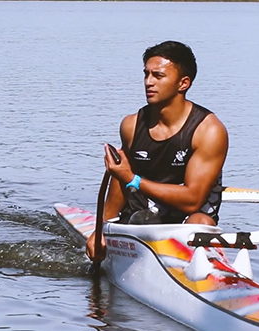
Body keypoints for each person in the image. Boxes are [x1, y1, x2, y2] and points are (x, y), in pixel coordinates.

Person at [86, 40, 228, 261]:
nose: (148, 82)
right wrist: (101, 229)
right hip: (142, 218)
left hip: (189, 219)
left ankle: (203, 271)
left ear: (184, 83)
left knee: (201, 223)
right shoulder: (132, 125)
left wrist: (133, 180)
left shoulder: (209, 131)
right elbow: (118, 179)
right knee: (143, 220)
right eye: (146, 74)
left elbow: (191, 200)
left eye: (158, 76)